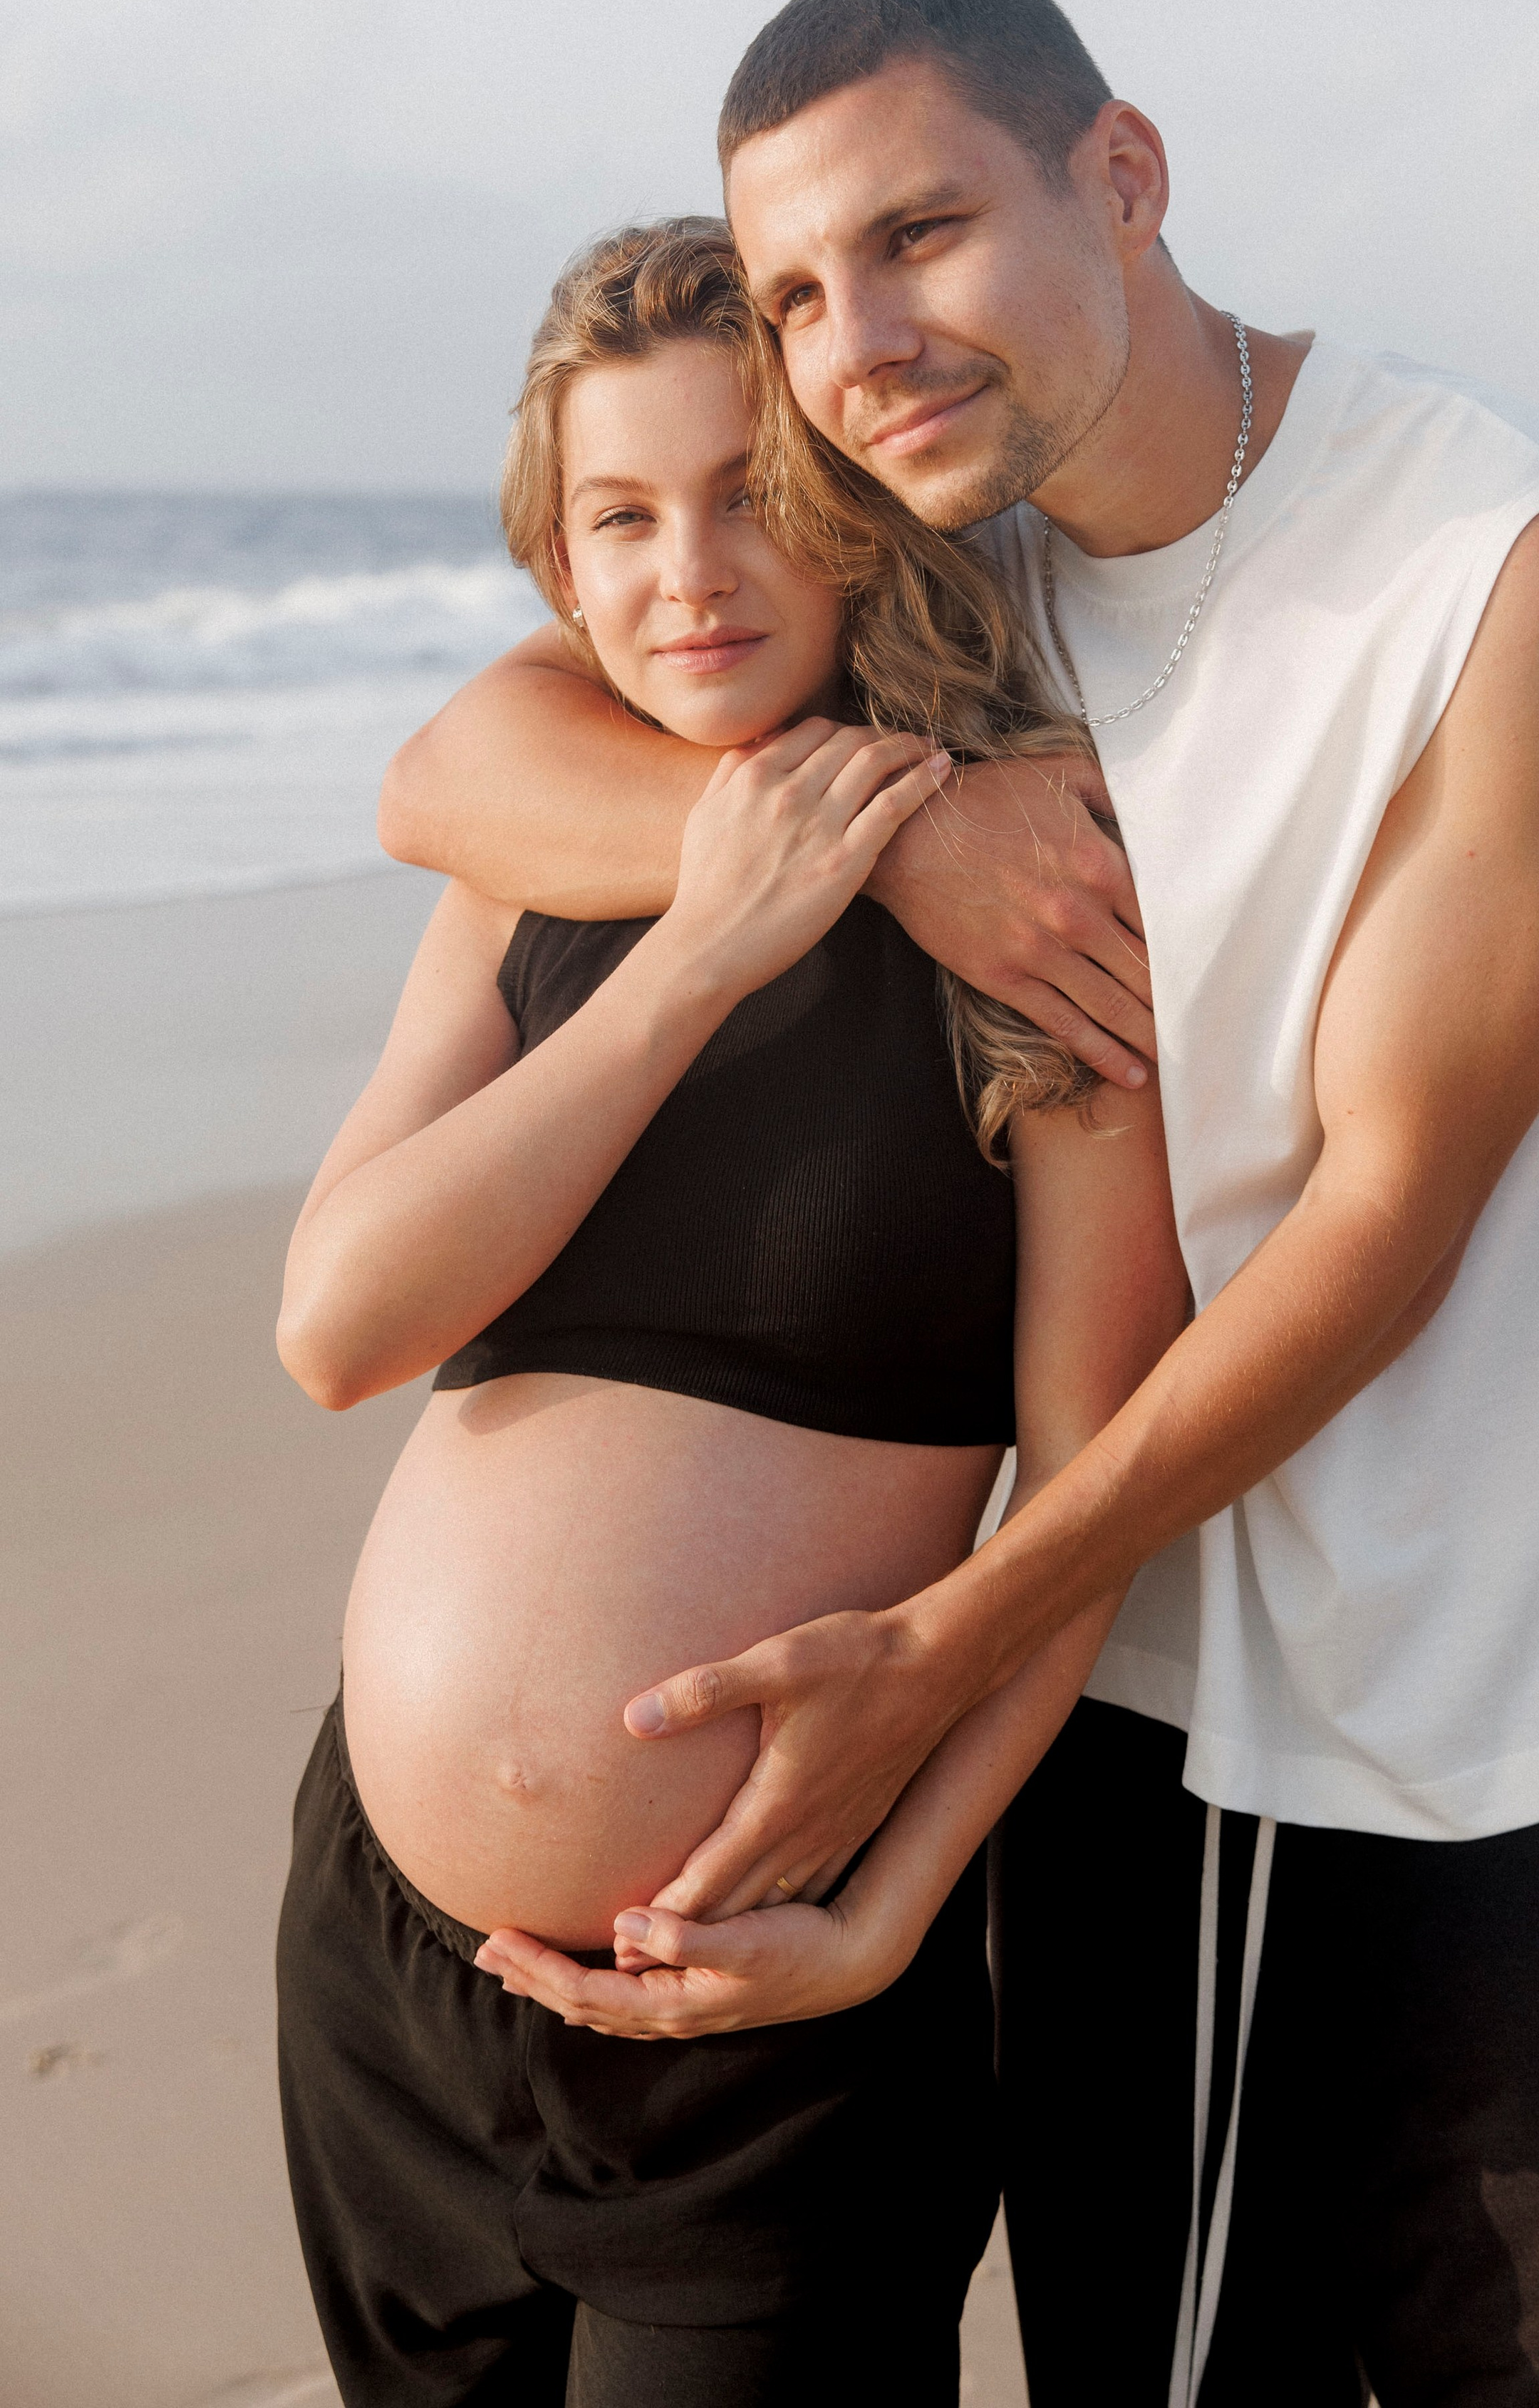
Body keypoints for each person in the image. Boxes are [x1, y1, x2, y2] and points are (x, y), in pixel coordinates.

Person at [383, 0, 1539, 2405]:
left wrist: (939, 1652)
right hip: (1140, 1769)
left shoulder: (1508, 572)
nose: (859, 339)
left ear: (1123, 177)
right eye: (807, 285)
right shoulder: (968, 581)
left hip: (1529, 1776)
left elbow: (1377, 1225)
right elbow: (462, 760)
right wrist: (906, 831)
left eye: (919, 234)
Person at [271, 216, 1187, 2407]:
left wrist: (890, 1912)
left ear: (862, 522)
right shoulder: (535, 864)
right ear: (561, 565)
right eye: (622, 515)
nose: (690, 571)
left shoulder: (1044, 915)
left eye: (754, 496)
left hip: (764, 2002)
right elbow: (340, 1323)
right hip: (392, 1977)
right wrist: (700, 946)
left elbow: (1101, 1478)